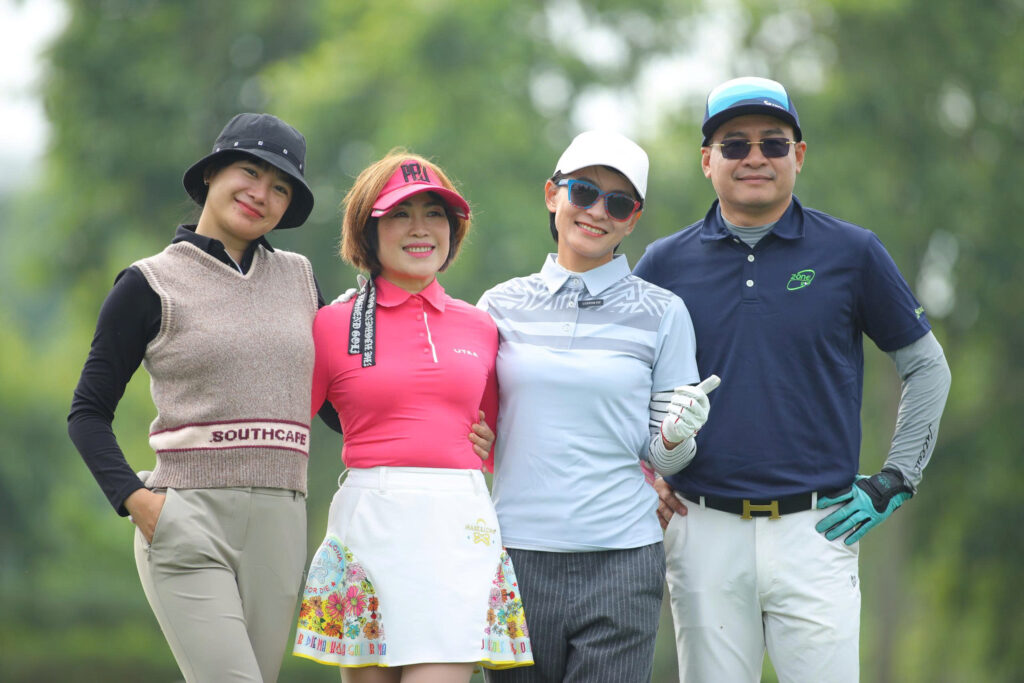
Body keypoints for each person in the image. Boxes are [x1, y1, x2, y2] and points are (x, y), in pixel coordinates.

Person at [632, 76, 952, 682]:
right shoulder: (664, 263)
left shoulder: (852, 252)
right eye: (734, 145)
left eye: (773, 143)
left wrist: (896, 478)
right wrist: (641, 472)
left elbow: (926, 366)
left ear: (798, 156)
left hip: (819, 529)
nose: (755, 157)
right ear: (707, 161)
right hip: (702, 530)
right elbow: (619, 382)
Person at [68, 113, 324, 682]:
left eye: (281, 187)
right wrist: (138, 502)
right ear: (212, 173)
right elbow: (87, 413)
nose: (261, 194)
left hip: (283, 525)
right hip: (188, 519)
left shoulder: (301, 278)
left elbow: (339, 399)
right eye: (249, 172)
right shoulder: (149, 283)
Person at [478, 130, 714, 683]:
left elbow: (666, 459)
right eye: (583, 192)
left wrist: (677, 438)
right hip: (514, 553)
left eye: (618, 203)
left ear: (633, 220)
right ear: (552, 195)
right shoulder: (497, 306)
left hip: (622, 559)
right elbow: (467, 422)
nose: (597, 212)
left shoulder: (663, 312)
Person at [292, 151, 532, 682]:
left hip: (458, 529)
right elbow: (288, 431)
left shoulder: (481, 328)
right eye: (400, 214)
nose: (420, 229)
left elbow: (499, 440)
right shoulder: (331, 324)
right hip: (368, 527)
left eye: (435, 214)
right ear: (368, 231)